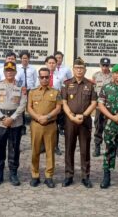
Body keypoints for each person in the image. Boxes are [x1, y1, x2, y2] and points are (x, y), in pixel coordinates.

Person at [60, 58, 98, 188]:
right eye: (77, 68)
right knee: (69, 148)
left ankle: (85, 176)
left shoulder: (90, 84)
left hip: (85, 120)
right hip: (70, 121)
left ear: (85, 70)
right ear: (73, 69)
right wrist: (71, 116)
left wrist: (84, 115)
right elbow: (64, 102)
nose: (79, 70)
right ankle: (68, 175)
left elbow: (94, 103)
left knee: (85, 149)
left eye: (81, 68)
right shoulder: (66, 84)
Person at [0, 61, 26, 186]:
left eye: (11, 71)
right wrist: (1, 117)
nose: (9, 73)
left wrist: (13, 118)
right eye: (7, 71)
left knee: (14, 148)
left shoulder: (21, 85)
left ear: (15, 72)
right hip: (0, 121)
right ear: (4, 72)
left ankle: (13, 173)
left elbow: (23, 104)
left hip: (15, 122)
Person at [27, 66, 62, 188]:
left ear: (50, 77)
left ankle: (49, 176)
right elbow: (29, 107)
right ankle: (35, 175)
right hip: (36, 125)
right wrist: (38, 117)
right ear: (39, 78)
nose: (44, 79)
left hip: (50, 125)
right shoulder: (32, 92)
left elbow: (58, 108)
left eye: (47, 77)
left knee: (50, 151)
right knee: (35, 151)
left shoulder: (56, 92)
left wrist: (46, 117)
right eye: (42, 77)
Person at [92, 57, 113, 157]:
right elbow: (93, 90)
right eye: (103, 65)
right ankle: (97, 146)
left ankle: (111, 147)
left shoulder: (113, 76)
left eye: (106, 65)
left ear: (109, 66)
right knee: (98, 126)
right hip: (99, 106)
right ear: (100, 65)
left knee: (111, 127)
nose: (105, 67)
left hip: (111, 105)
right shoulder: (96, 76)